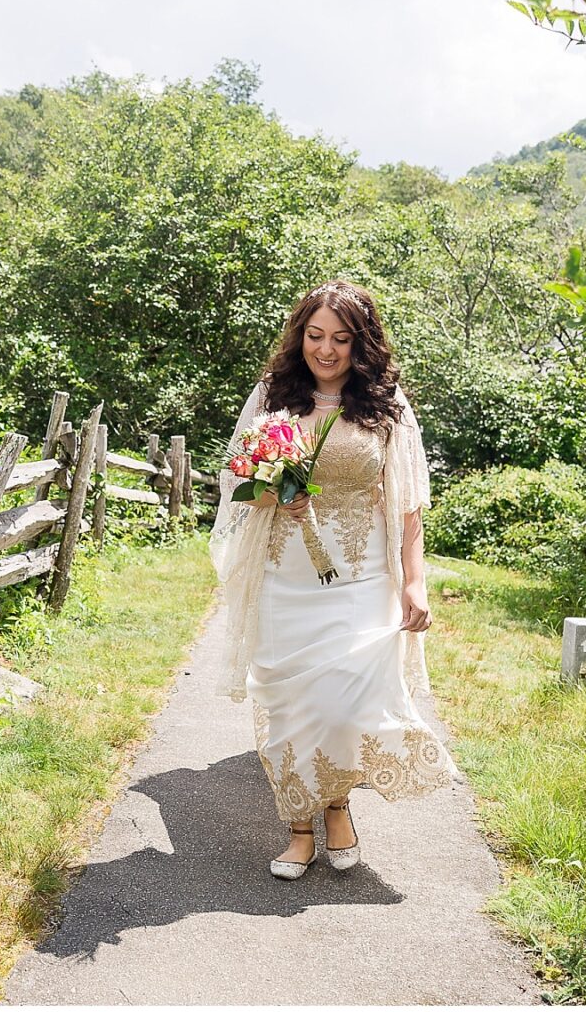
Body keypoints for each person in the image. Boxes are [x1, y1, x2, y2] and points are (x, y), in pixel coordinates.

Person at [208, 279, 460, 880]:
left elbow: (407, 505)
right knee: (291, 701)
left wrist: (413, 584)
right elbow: (236, 482)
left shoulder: (386, 403)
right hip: (285, 574)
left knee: (347, 699)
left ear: (360, 342)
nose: (326, 351)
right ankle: (299, 828)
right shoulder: (275, 395)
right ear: (301, 338)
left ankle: (340, 805)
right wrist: (273, 490)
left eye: (341, 339)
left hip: (363, 575)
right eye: (316, 336)